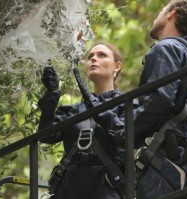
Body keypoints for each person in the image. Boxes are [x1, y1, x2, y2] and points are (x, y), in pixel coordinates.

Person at [133, 0, 187, 198]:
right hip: (183, 155)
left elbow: (159, 100)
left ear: (171, 13)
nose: (156, 16)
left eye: (161, 10)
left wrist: (125, 131)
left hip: (162, 155)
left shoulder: (164, 49)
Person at [37, 42, 132, 199]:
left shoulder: (127, 104)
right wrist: (52, 94)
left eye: (101, 55)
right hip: (69, 186)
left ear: (117, 66)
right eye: (90, 56)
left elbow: (124, 135)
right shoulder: (74, 110)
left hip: (107, 186)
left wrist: (92, 102)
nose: (94, 59)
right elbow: (45, 136)